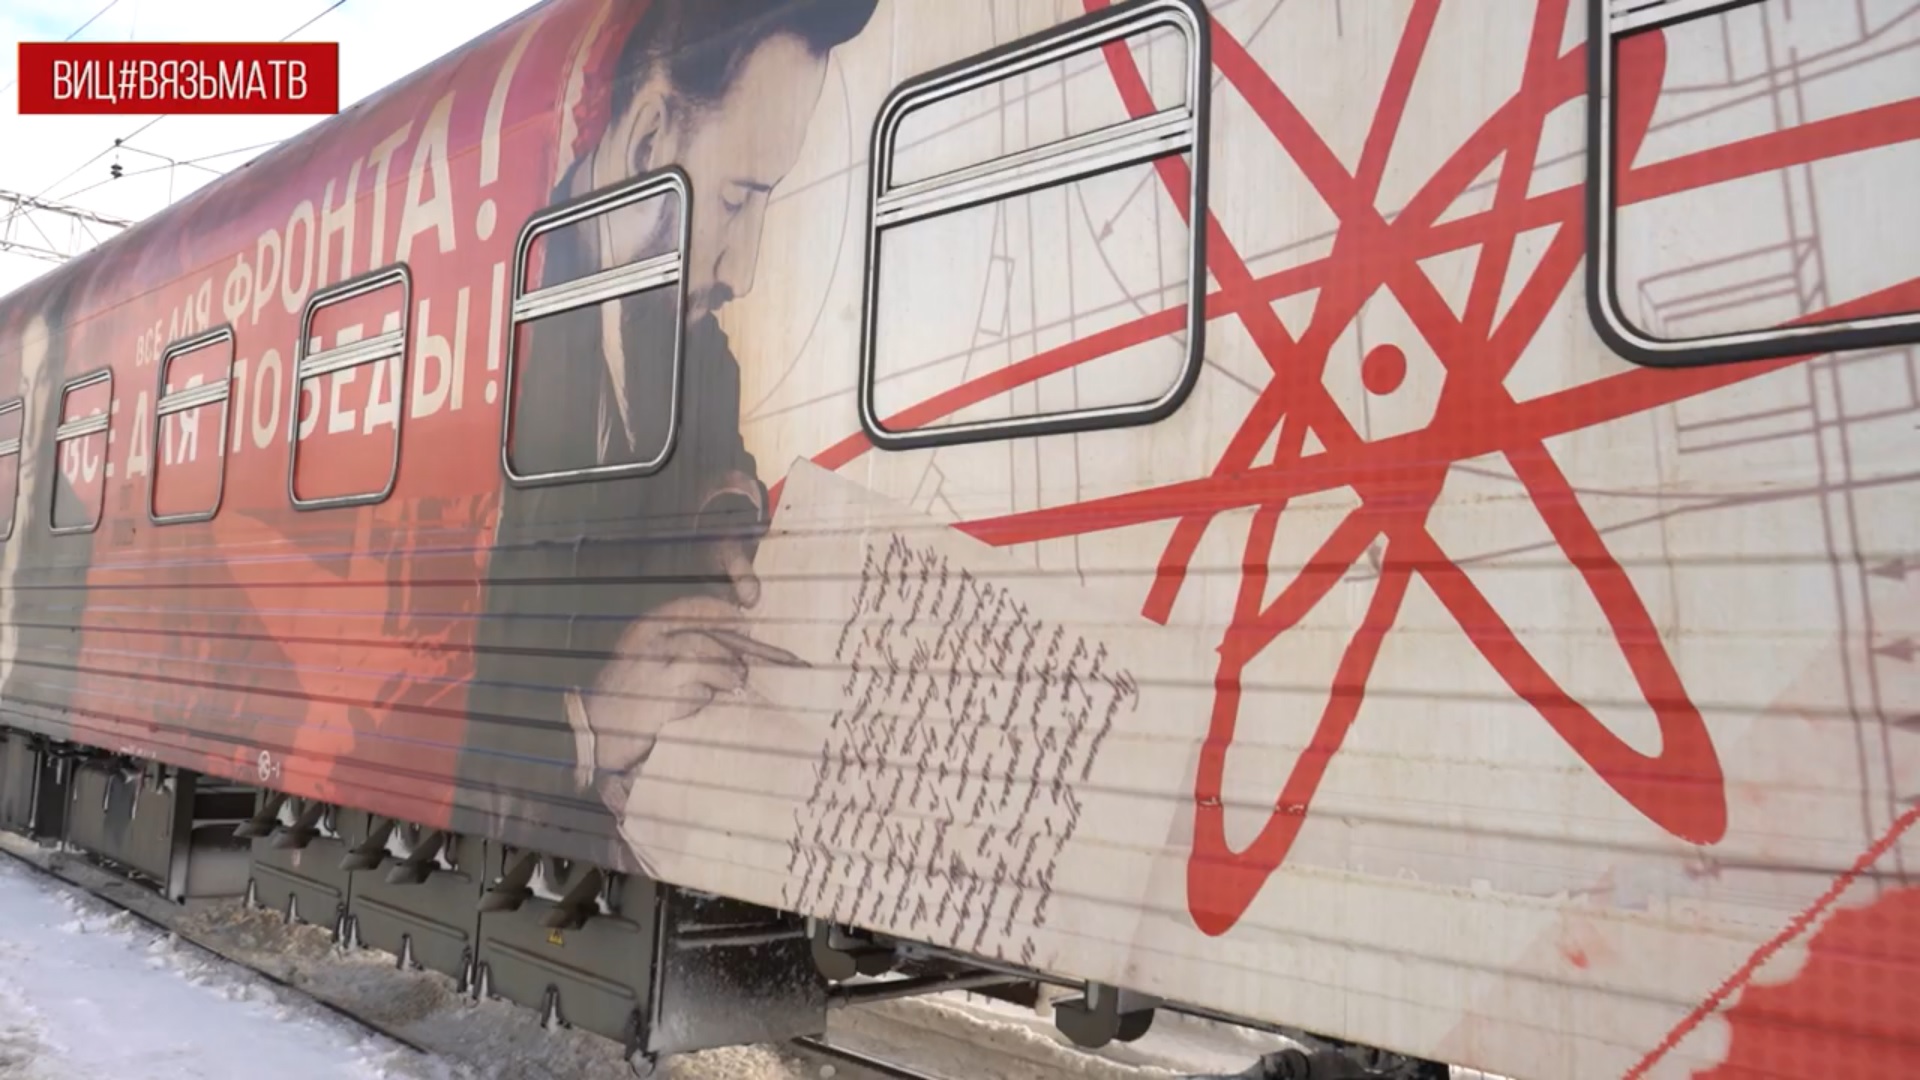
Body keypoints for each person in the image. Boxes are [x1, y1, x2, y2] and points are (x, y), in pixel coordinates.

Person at [458, 0, 879, 873]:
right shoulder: (500, 326)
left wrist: (723, 519)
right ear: (650, 142)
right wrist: (592, 724)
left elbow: (715, 440)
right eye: (735, 199)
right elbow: (436, 705)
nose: (744, 270)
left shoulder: (682, 327)